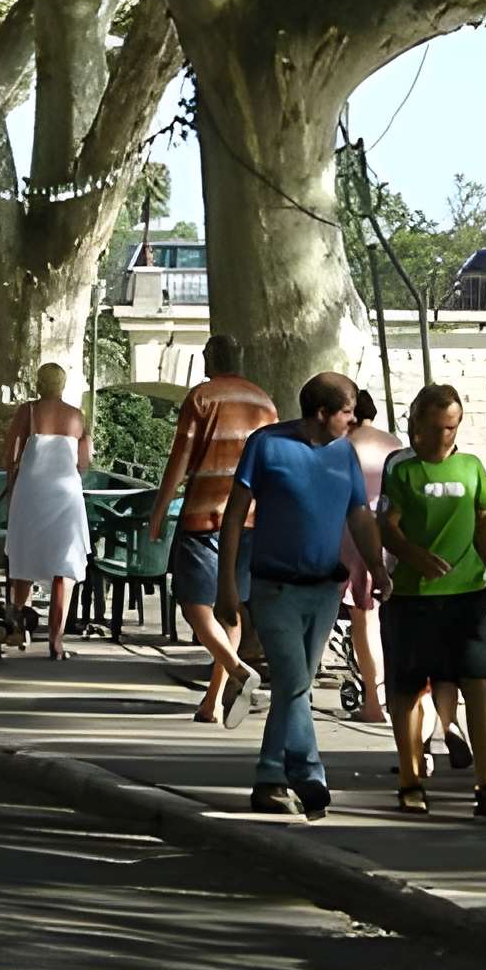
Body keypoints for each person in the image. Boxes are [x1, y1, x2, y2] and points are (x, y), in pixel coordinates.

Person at [217, 373, 383, 818]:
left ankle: (269, 779)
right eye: (348, 413)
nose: (354, 421)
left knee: (298, 687)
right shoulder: (267, 445)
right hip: (274, 586)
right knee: (293, 682)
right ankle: (309, 773)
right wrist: (226, 585)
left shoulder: (344, 454)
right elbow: (233, 516)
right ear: (322, 413)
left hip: (326, 589)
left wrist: (379, 567)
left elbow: (360, 517)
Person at [373, 386, 486, 816]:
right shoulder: (403, 471)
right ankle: (410, 781)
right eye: (433, 429)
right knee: (409, 690)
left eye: (450, 428)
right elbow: (385, 525)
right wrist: (414, 555)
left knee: (478, 686)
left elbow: (484, 521)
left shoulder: (472, 468)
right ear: (415, 426)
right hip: (413, 597)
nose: (441, 438)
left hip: (467, 596)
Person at [152, 337, 277, 724]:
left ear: (211, 358)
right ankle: (212, 701)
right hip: (251, 518)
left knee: (193, 604)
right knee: (231, 608)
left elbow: (181, 457)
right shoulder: (265, 403)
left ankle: (238, 671)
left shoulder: (201, 398)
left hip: (203, 516)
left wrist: (158, 511)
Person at [0, 362, 92, 661]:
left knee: (24, 559)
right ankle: (56, 640)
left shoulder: (28, 412)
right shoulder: (78, 417)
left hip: (32, 493)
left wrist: (11, 485)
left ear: (39, 384)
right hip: (66, 496)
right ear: (63, 386)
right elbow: (84, 463)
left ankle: (17, 627)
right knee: (63, 568)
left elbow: (10, 456)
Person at [337, 385, 405, 731]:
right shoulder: (394, 444)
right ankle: (390, 695)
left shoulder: (343, 445)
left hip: (349, 533)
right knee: (381, 621)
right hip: (389, 536)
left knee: (360, 620)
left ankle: (373, 701)